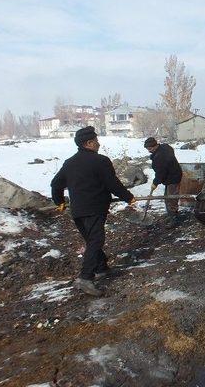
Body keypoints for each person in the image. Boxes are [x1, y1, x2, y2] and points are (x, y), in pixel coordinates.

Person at [51, 126, 135, 296]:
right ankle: (85, 278)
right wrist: (129, 197)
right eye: (96, 141)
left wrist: (59, 201)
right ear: (89, 143)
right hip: (95, 208)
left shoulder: (69, 163)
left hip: (77, 211)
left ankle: (102, 267)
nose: (99, 143)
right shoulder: (100, 161)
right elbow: (112, 184)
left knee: (91, 240)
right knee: (96, 241)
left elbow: (55, 184)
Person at [144, 137, 183, 224]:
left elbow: (160, 173)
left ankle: (174, 219)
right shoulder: (165, 147)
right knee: (167, 197)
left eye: (149, 149)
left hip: (173, 178)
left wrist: (155, 183)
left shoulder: (159, 157)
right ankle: (171, 215)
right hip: (172, 175)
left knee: (171, 198)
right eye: (147, 149)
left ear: (155, 146)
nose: (149, 151)